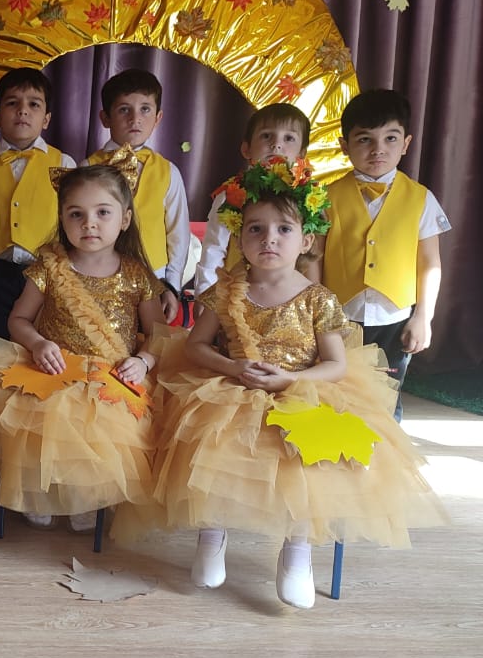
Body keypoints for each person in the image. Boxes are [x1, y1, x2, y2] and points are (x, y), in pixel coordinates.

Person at [139, 159, 446, 608]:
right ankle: (212, 530)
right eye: (256, 229)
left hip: (302, 387)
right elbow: (196, 346)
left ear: (306, 240)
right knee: (212, 442)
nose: (269, 239)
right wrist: (231, 368)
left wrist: (291, 379)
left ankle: (298, 549)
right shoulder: (224, 291)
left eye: (283, 229)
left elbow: (335, 364)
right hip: (233, 387)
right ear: (239, 238)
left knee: (308, 461)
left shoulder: (317, 298)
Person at [0, 165, 165, 532]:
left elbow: (159, 333)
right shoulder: (49, 265)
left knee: (109, 422)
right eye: (76, 214)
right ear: (62, 218)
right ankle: (41, 491)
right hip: (54, 368)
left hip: (112, 373)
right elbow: (18, 320)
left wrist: (144, 360)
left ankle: (87, 494)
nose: (89, 223)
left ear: (124, 219)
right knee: (41, 413)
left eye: (102, 212)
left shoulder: (136, 274)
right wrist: (37, 343)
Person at [0, 67, 75, 467]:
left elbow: (71, 221)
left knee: (43, 350)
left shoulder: (64, 163)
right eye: (12, 103)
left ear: (47, 118)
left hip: (47, 278)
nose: (22, 111)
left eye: (33, 104)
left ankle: (37, 433)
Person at [315, 90, 451, 422]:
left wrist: (423, 317)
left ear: (406, 143)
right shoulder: (325, 197)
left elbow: (430, 263)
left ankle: (386, 450)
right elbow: (314, 258)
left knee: (387, 396)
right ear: (344, 145)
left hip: (396, 317)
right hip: (341, 317)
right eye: (365, 139)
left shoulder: (421, 198)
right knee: (339, 391)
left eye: (390, 138)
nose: (378, 149)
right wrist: (316, 315)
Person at [85, 69, 188, 322]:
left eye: (145, 109)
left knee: (149, 342)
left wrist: (171, 285)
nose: (135, 119)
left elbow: (178, 233)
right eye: (124, 110)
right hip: (97, 279)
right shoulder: (86, 168)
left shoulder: (169, 172)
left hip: (154, 281)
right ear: (105, 118)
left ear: (158, 117)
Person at [193, 103, 310, 295]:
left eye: (289, 138)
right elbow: (213, 249)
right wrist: (205, 293)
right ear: (246, 149)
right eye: (266, 136)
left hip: (288, 296)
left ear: (302, 153)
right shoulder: (231, 194)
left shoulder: (307, 198)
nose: (276, 144)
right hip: (235, 294)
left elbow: (311, 256)